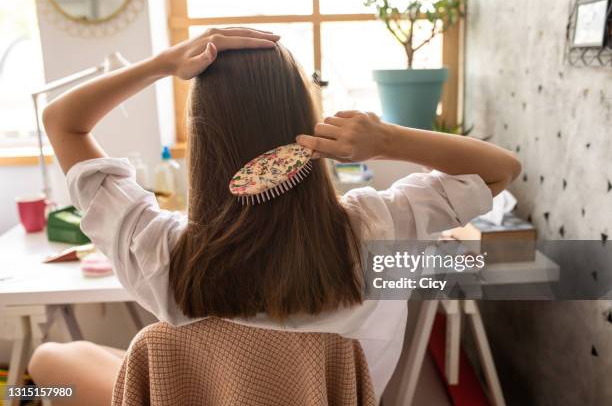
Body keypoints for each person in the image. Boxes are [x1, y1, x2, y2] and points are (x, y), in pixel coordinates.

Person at [28, 27, 521, 405]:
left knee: (47, 364)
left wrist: (161, 64)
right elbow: (502, 170)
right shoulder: (378, 228)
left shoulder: (160, 251)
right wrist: (387, 139)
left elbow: (62, 122)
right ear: (306, 121)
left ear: (201, 141)